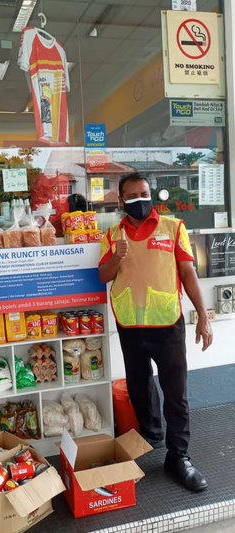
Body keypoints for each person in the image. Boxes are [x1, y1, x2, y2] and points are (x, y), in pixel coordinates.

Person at [99, 172, 212, 493]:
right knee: (138, 389)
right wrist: (116, 256)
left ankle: (179, 457)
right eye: (132, 197)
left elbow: (188, 273)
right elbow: (102, 276)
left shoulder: (172, 227)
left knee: (176, 394)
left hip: (167, 325)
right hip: (130, 326)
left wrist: (203, 316)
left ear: (152, 195)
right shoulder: (112, 234)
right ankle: (152, 436)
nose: (139, 201)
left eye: (144, 194)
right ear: (121, 201)